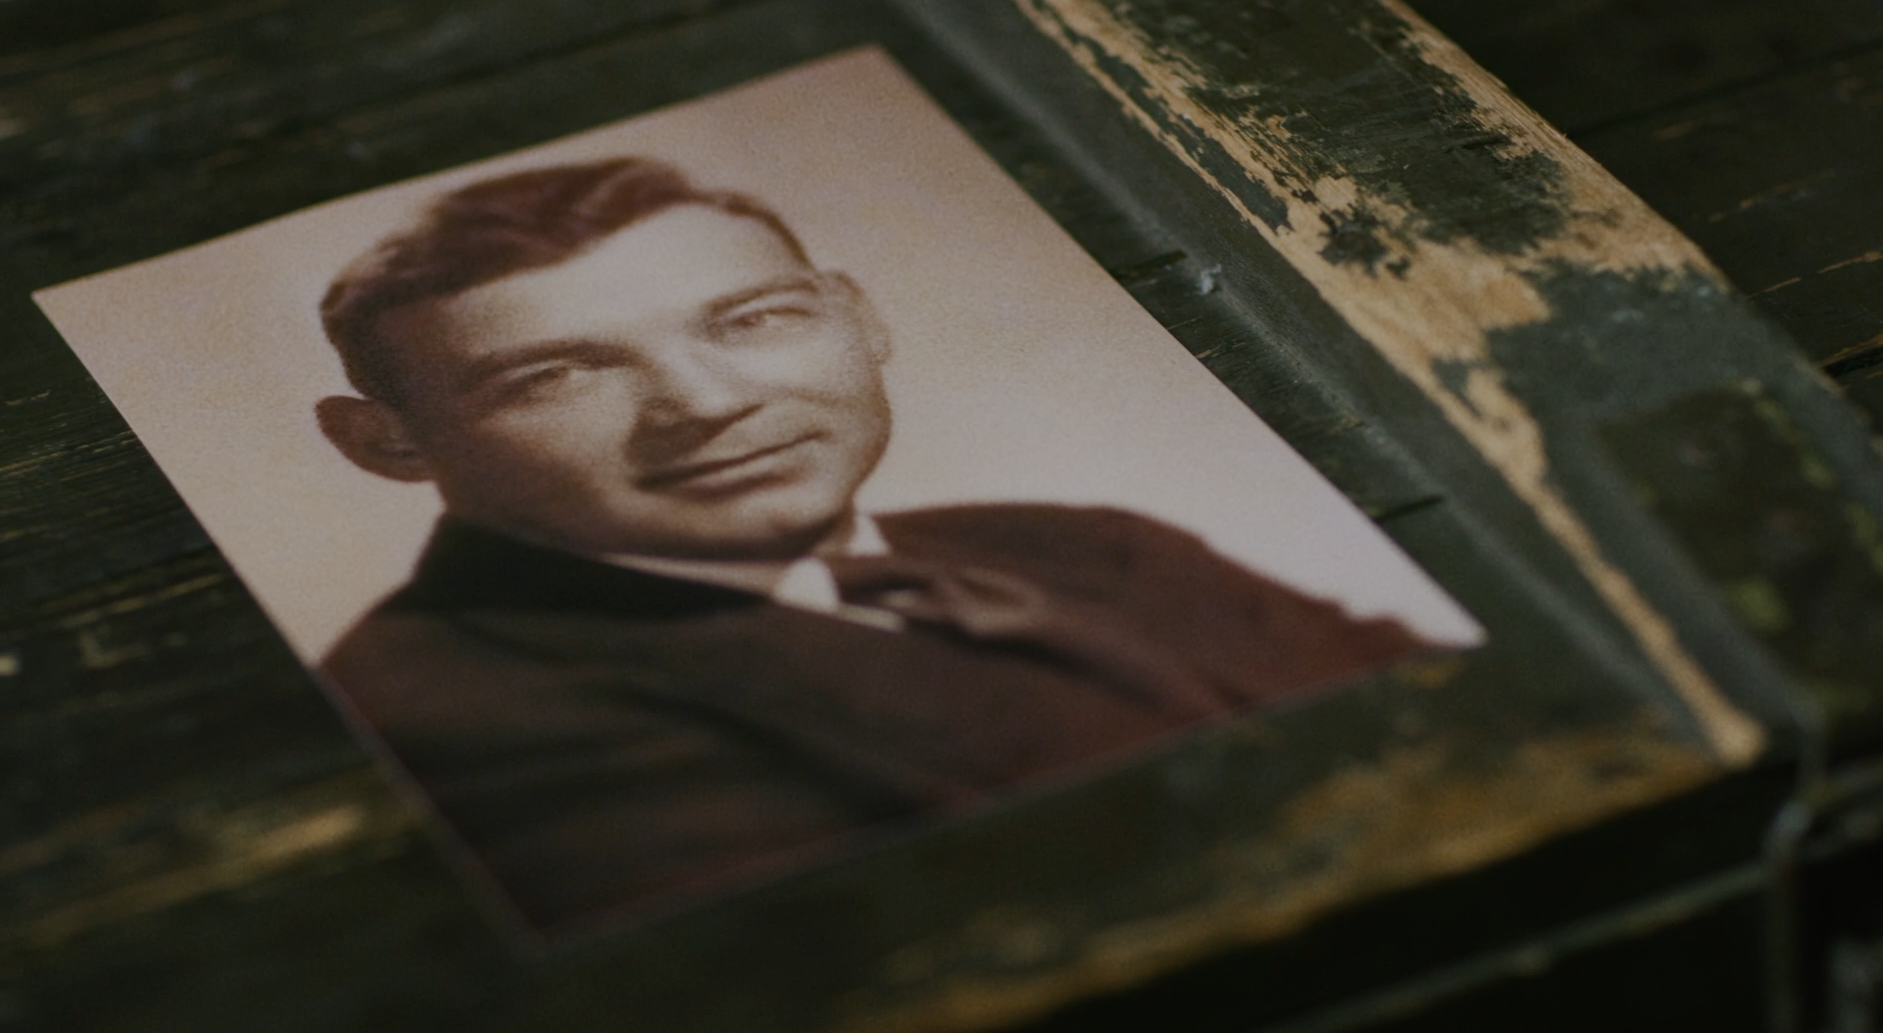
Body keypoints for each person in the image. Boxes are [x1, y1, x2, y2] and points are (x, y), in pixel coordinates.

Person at [314, 156, 1427, 933]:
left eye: (752, 321)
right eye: (552, 376)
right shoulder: (439, 712)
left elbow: (1471, 702)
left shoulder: (1084, 546)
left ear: (858, 316)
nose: (705, 404)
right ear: (387, 443)